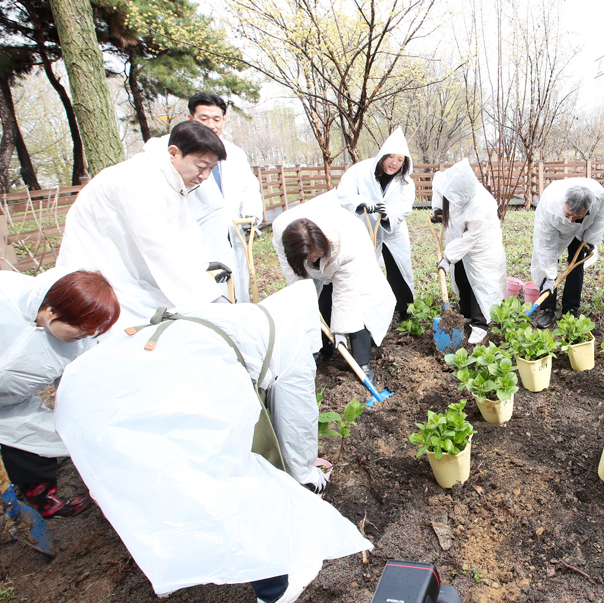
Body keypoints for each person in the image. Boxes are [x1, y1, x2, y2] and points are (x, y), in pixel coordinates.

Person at [54, 281, 371, 603]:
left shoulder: (235, 316)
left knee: (156, 481)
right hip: (171, 392)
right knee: (241, 484)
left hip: (90, 389)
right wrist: (306, 476)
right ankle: (275, 588)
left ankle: (178, 549)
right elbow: (296, 425)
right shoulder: (294, 349)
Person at [57, 120, 230, 332]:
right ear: (173, 153)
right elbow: (159, 247)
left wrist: (202, 262)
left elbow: (185, 230)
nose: (205, 176)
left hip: (130, 268)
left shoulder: (174, 178)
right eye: (201, 167)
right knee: (117, 329)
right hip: (100, 267)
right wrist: (211, 298)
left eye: (211, 169)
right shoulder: (139, 180)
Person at [0, 268, 119, 519]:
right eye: (80, 331)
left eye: (91, 333)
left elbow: (74, 388)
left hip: (9, 405)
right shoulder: (5, 297)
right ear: (53, 312)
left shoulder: (77, 344)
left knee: (34, 435)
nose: (84, 338)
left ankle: (43, 498)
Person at [271, 195, 395, 382]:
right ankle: (323, 349)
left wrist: (340, 329)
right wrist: (306, 301)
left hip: (351, 248)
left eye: (317, 255)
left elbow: (345, 295)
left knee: (354, 303)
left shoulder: (348, 245)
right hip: (304, 250)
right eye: (309, 257)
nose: (314, 260)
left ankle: (362, 362)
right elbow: (297, 283)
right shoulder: (282, 231)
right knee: (314, 301)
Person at [184, 92, 265, 303]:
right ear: (191, 119)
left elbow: (249, 186)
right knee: (211, 296)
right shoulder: (182, 154)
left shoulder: (235, 153)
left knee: (239, 291)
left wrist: (251, 212)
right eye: (204, 118)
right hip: (202, 238)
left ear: (223, 120)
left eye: (216, 119)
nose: (211, 124)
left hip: (234, 233)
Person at [337, 128, 416, 321]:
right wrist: (360, 203)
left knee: (399, 268)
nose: (394, 163)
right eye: (391, 157)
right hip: (364, 229)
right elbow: (344, 191)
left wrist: (388, 213)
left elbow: (405, 207)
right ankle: (367, 309)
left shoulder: (406, 182)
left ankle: (404, 310)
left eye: (400, 159)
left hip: (393, 232)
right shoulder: (360, 171)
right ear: (383, 155)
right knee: (364, 270)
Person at [430, 160, 507, 345]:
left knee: (481, 282)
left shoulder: (481, 204)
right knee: (462, 275)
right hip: (460, 239)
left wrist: (448, 258)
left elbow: (470, 238)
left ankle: (481, 324)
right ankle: (466, 313)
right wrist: (438, 209)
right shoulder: (449, 182)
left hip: (483, 246)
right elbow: (437, 185)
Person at [529, 178, 604, 328]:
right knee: (546, 265)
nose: (572, 219)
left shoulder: (599, 197)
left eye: (578, 216)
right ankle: (547, 308)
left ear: (588, 208)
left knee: (576, 263)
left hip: (582, 230)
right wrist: (549, 276)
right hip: (554, 229)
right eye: (568, 214)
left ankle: (571, 309)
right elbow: (546, 248)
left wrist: (591, 239)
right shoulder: (550, 206)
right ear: (563, 204)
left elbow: (601, 218)